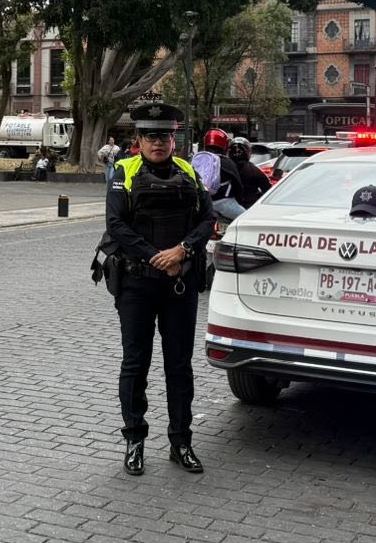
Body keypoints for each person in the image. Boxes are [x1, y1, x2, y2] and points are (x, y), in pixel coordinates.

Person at [105, 101, 215, 477]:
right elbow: (117, 225)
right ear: (137, 139)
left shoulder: (188, 171)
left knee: (179, 366)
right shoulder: (124, 171)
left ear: (174, 139)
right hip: (137, 283)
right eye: (151, 136)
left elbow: (208, 219)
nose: (159, 142)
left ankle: (181, 441)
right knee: (135, 364)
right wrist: (157, 256)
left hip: (179, 285)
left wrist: (181, 251)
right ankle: (134, 439)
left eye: (166, 135)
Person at [227, 136, 271, 209]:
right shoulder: (254, 170)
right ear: (247, 151)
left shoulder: (224, 166)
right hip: (248, 207)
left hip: (226, 206)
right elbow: (268, 190)